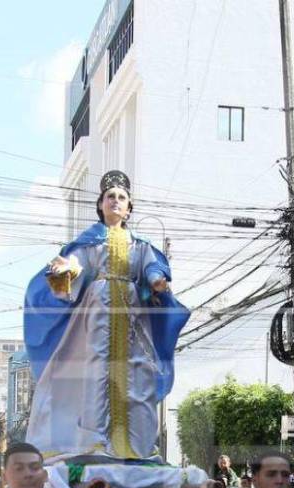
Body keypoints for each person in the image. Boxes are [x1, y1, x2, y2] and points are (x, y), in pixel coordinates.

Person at [24, 169, 189, 461]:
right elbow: (75, 266)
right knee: (96, 374)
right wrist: (66, 270)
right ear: (100, 205)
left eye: (121, 197)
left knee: (137, 377)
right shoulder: (89, 241)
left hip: (132, 317)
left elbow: (151, 267)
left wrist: (155, 279)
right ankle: (95, 441)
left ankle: (134, 446)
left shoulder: (139, 244)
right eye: (110, 197)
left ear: (129, 208)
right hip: (96, 315)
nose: (115, 201)